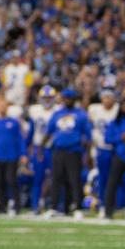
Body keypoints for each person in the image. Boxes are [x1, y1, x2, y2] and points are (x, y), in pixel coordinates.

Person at [45, 89, 92, 217]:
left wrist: (87, 153)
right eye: (66, 98)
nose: (68, 101)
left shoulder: (81, 115)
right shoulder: (57, 113)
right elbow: (49, 132)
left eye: (70, 98)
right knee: (56, 179)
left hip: (74, 150)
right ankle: (54, 207)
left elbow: (88, 136)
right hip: (58, 150)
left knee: (74, 180)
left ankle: (77, 207)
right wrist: (42, 148)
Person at [0, 94, 26, 214]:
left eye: (4, 105)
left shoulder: (14, 123)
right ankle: (2, 206)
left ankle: (16, 205)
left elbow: (20, 139)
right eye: (0, 106)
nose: (2, 108)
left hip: (11, 156)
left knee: (11, 180)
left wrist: (23, 154)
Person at [27, 85, 58, 213]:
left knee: (56, 178)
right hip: (39, 149)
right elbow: (31, 132)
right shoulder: (35, 111)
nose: (47, 100)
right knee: (38, 178)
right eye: (44, 98)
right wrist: (27, 149)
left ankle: (54, 205)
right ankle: (36, 205)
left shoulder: (58, 111)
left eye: (49, 98)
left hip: (54, 148)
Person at [88, 89, 118, 205]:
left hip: (114, 148)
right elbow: (89, 125)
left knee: (116, 178)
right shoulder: (94, 109)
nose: (107, 100)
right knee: (102, 177)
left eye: (109, 97)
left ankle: (115, 203)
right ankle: (102, 202)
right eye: (105, 97)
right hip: (100, 147)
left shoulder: (117, 109)